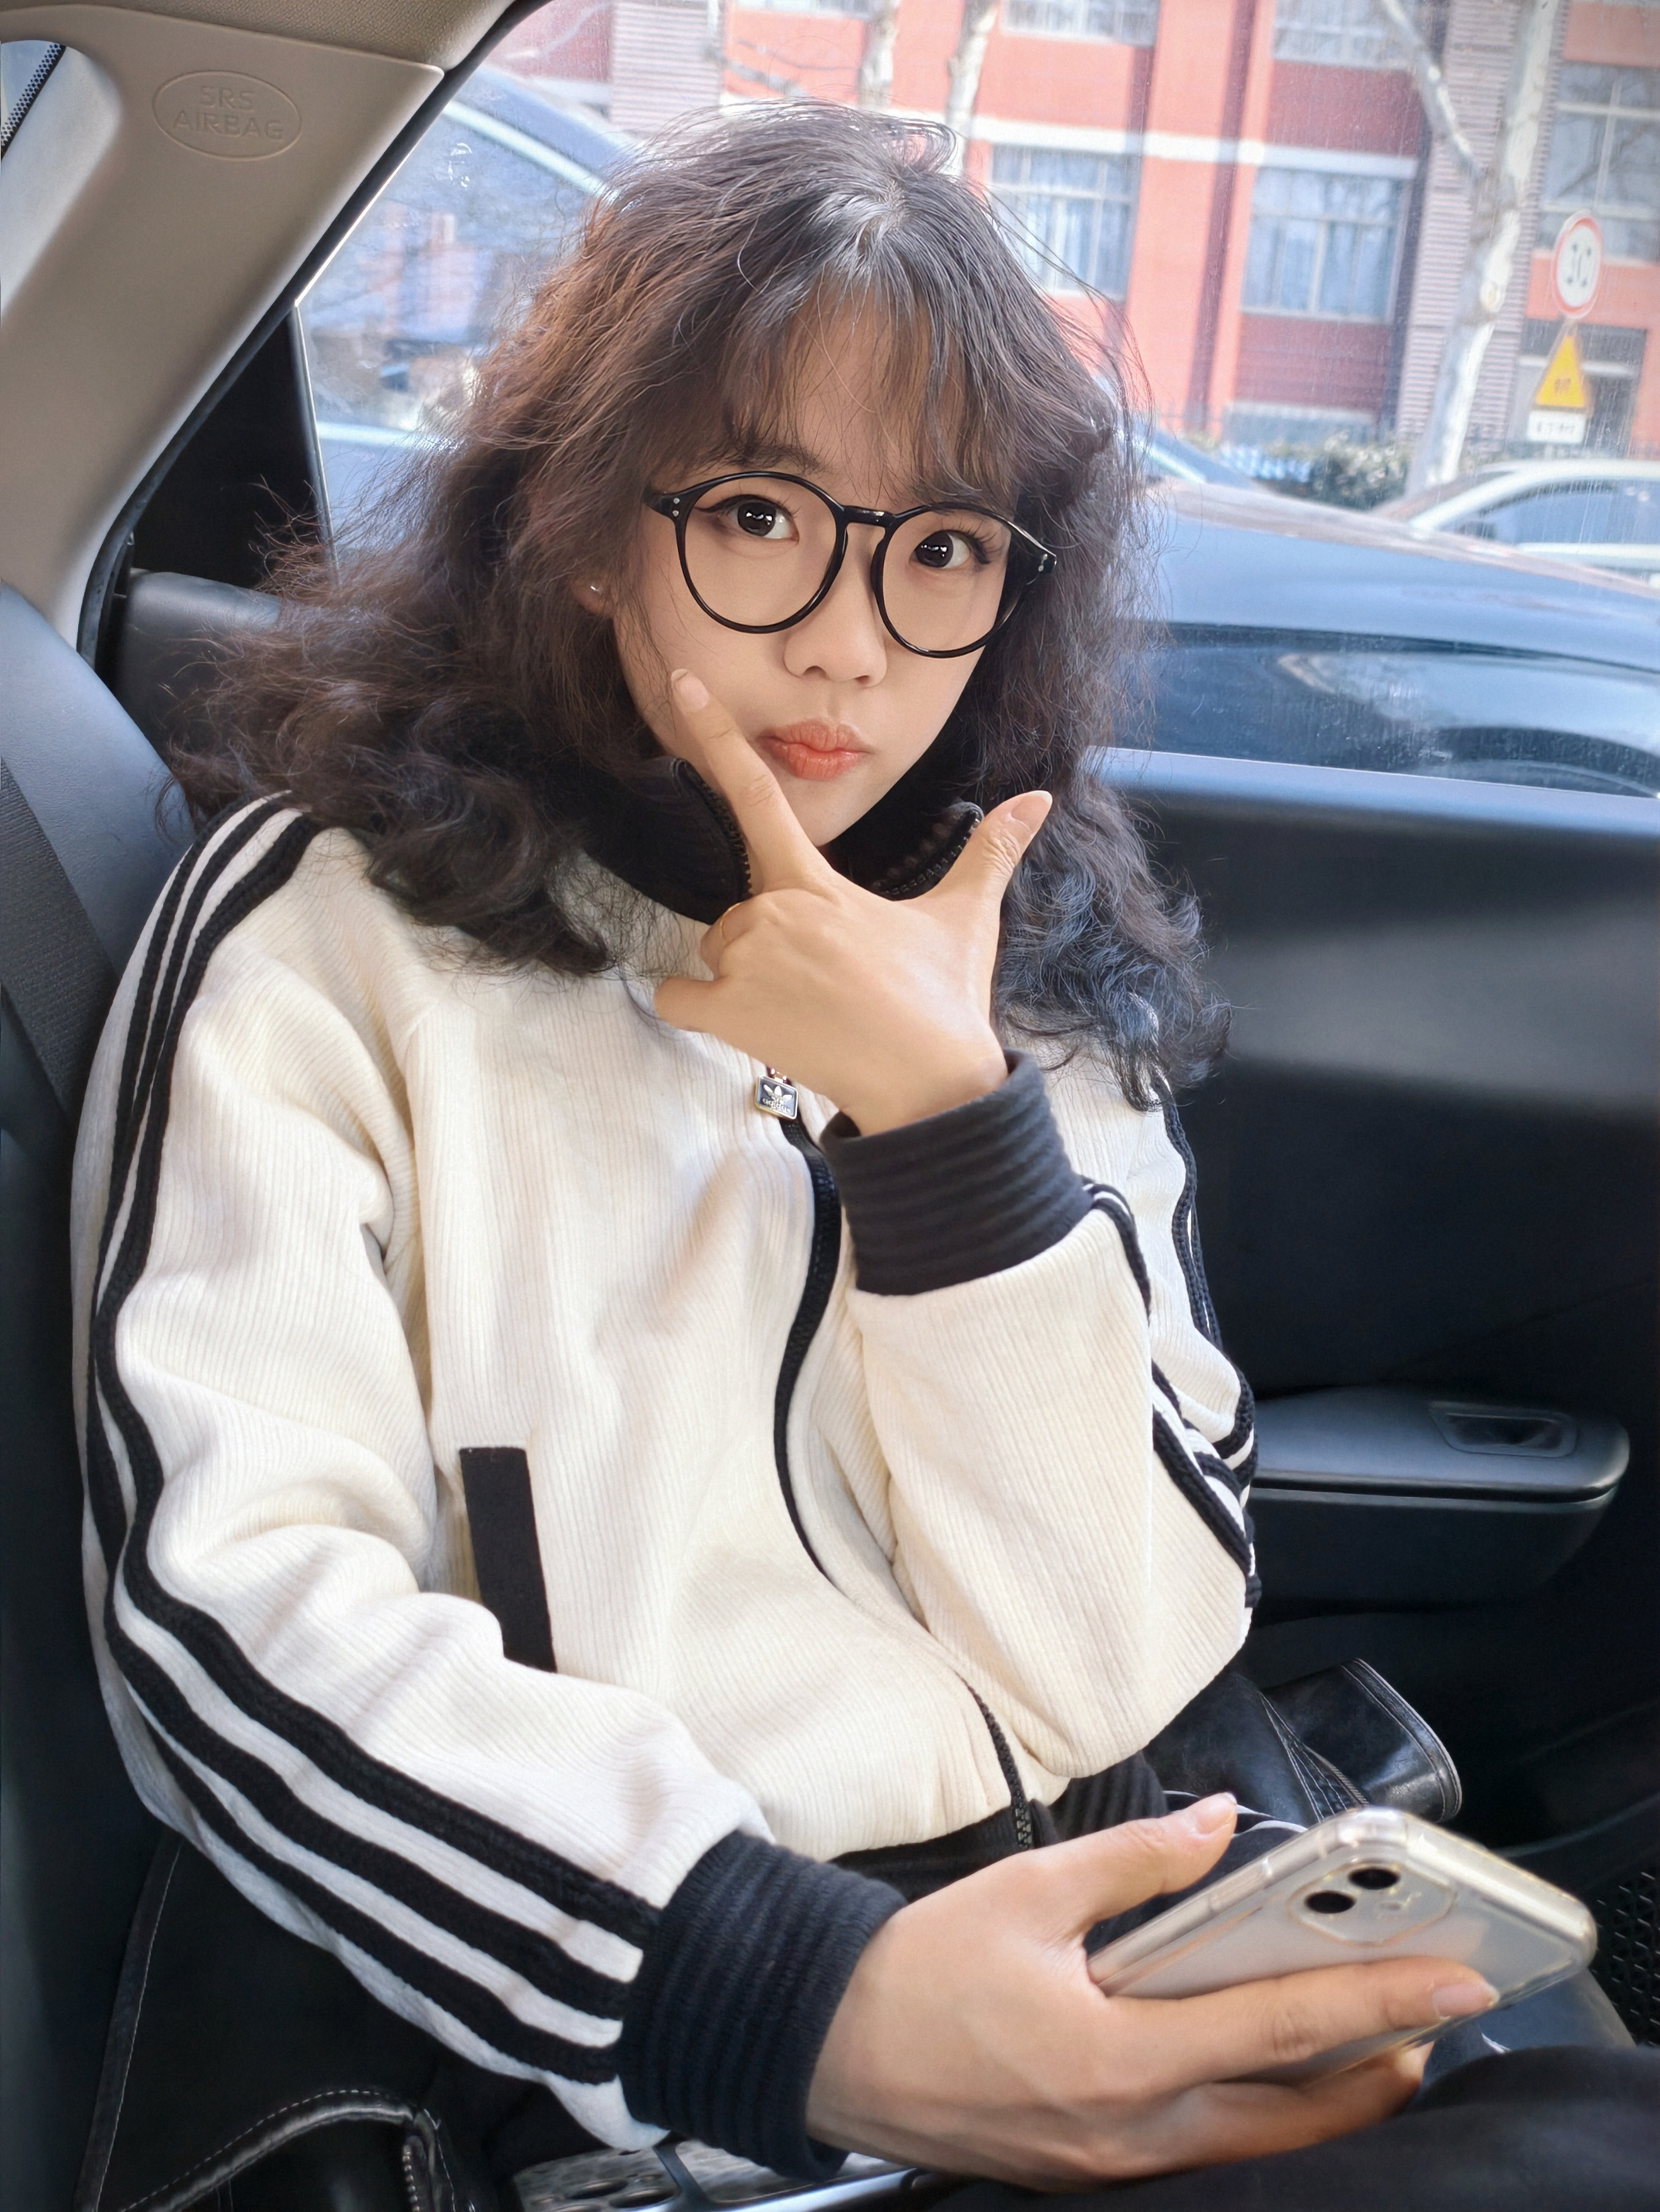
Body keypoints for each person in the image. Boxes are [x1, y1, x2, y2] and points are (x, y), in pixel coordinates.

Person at [73, 103, 1653, 2212]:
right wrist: (795, 1999)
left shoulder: (1021, 954)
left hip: (1115, 1938)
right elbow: (235, 1617)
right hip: (658, 2068)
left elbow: (1125, 1648)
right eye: (760, 516)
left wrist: (944, 1134)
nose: (848, 640)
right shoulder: (330, 932)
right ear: (589, 524)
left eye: (941, 549)